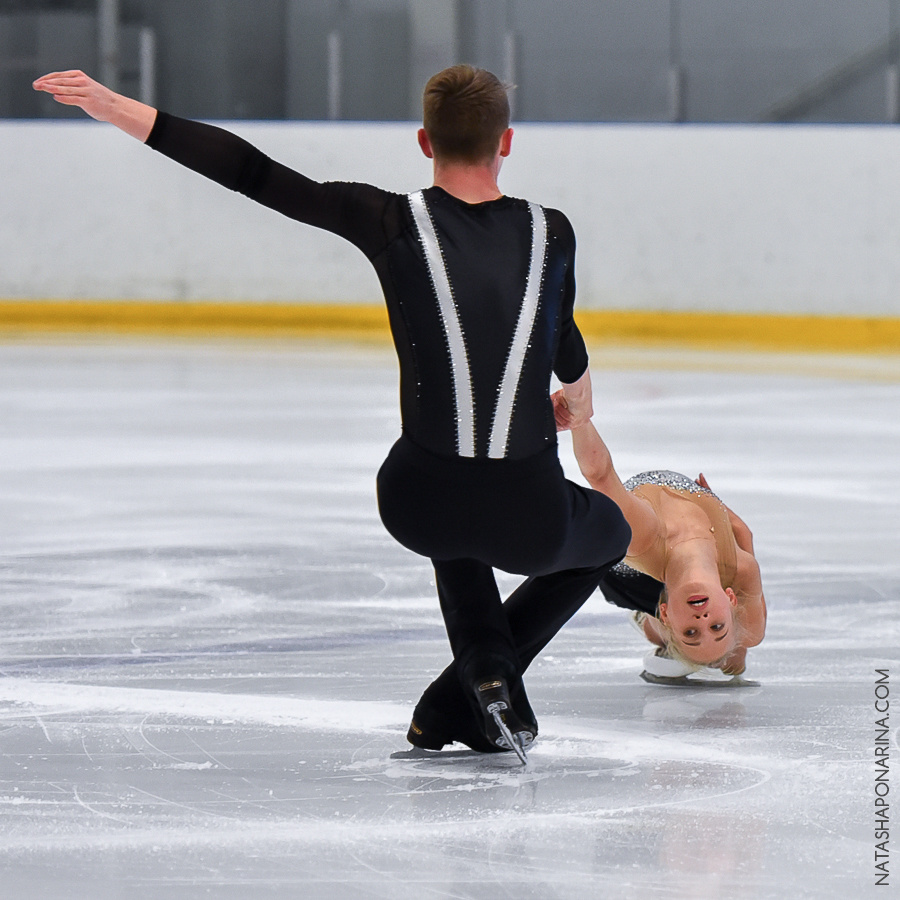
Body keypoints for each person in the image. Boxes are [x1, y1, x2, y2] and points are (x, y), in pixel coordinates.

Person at [34, 65, 631, 760]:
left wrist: (115, 107)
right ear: (507, 142)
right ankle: (465, 688)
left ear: (423, 141)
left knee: (454, 508)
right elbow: (560, 334)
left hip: (415, 500)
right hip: (528, 515)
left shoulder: (383, 218)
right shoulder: (552, 231)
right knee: (609, 532)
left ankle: (478, 678)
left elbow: (252, 173)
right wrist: (577, 389)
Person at [566, 417, 767, 678]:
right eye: (717, 626)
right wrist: (717, 506)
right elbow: (743, 532)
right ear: (731, 598)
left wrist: (578, 418)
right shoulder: (742, 568)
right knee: (743, 645)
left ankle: (651, 627)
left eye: (690, 633)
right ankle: (711, 654)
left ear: (665, 614)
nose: (703, 621)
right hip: (638, 581)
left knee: (731, 646)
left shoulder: (644, 539)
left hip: (627, 574)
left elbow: (599, 474)